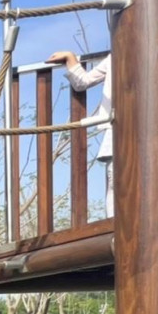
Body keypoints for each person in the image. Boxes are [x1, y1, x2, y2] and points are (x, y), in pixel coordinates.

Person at [48, 51, 112, 216]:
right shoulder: (115, 57)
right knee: (115, 182)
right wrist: (70, 58)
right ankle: (116, 227)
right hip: (116, 128)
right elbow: (83, 82)